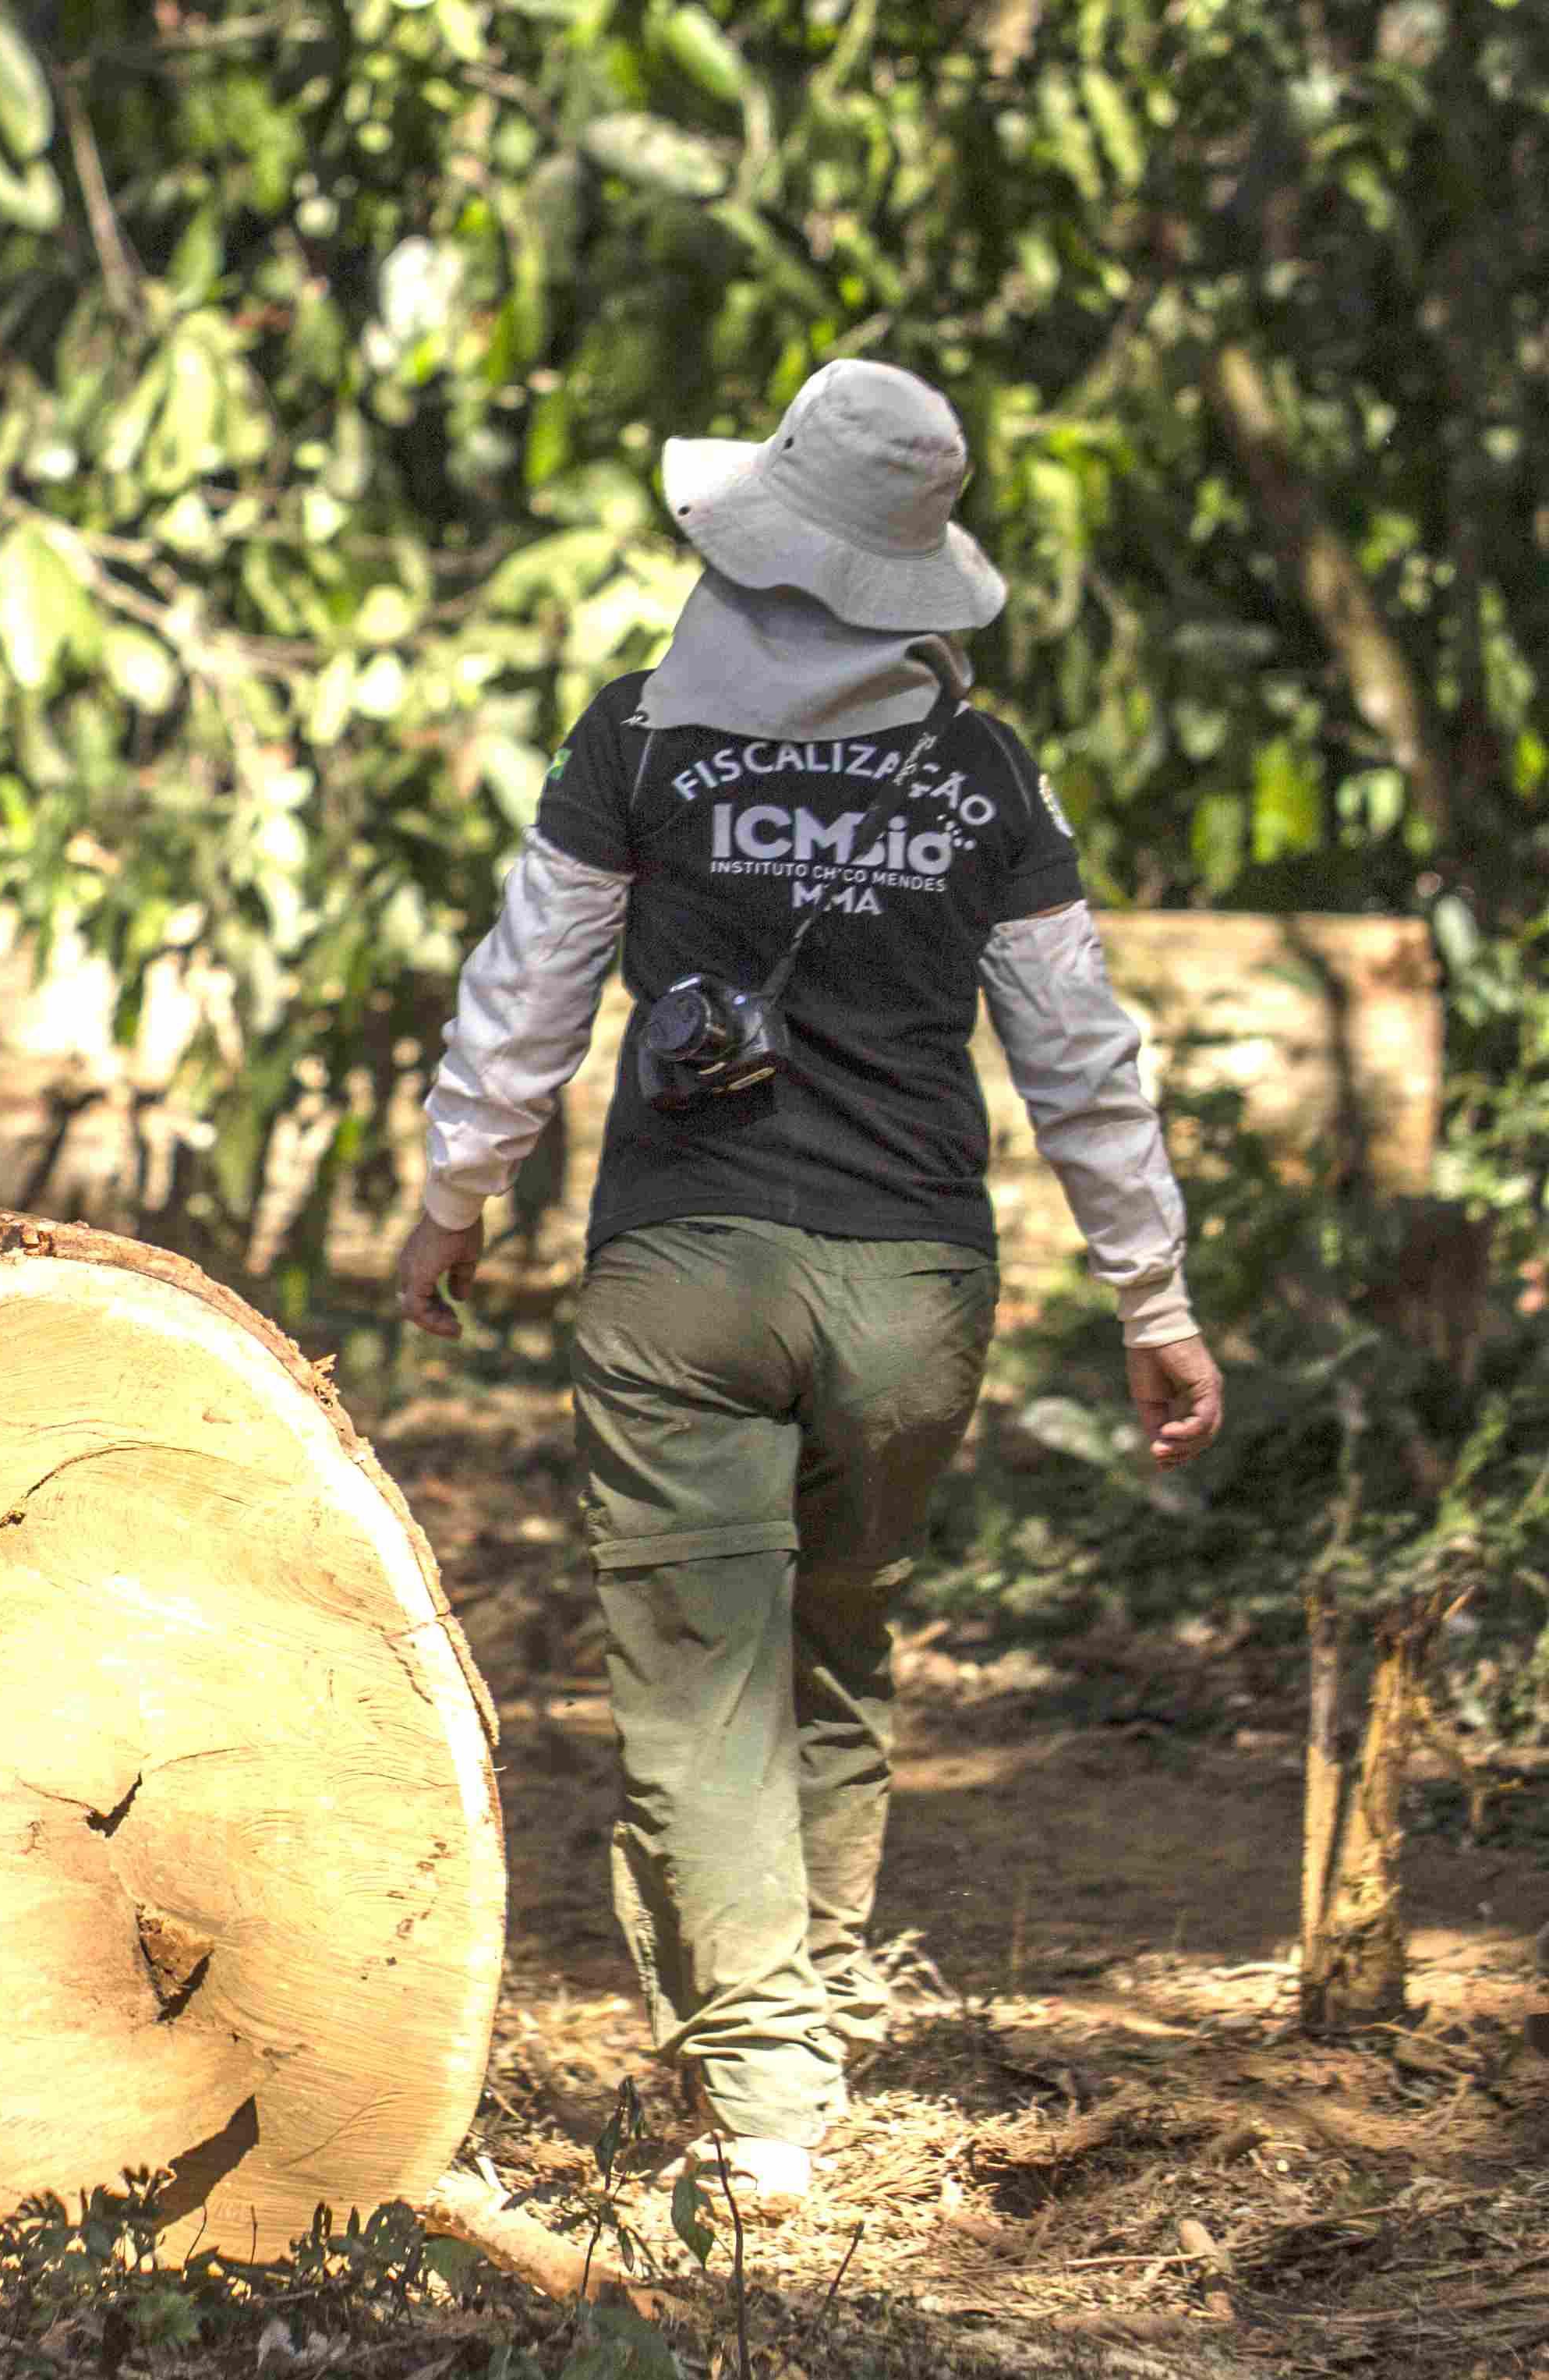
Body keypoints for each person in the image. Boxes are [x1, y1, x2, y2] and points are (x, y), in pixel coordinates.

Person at [393, 359, 1227, 2205]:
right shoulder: (988, 774)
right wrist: (1154, 1301)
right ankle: (812, 1997)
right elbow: (1082, 1052)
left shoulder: (640, 741)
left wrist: (456, 1194)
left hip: (684, 1277)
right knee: (838, 1636)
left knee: (701, 1687)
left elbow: (528, 992)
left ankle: (770, 2091)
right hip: (914, 1292)